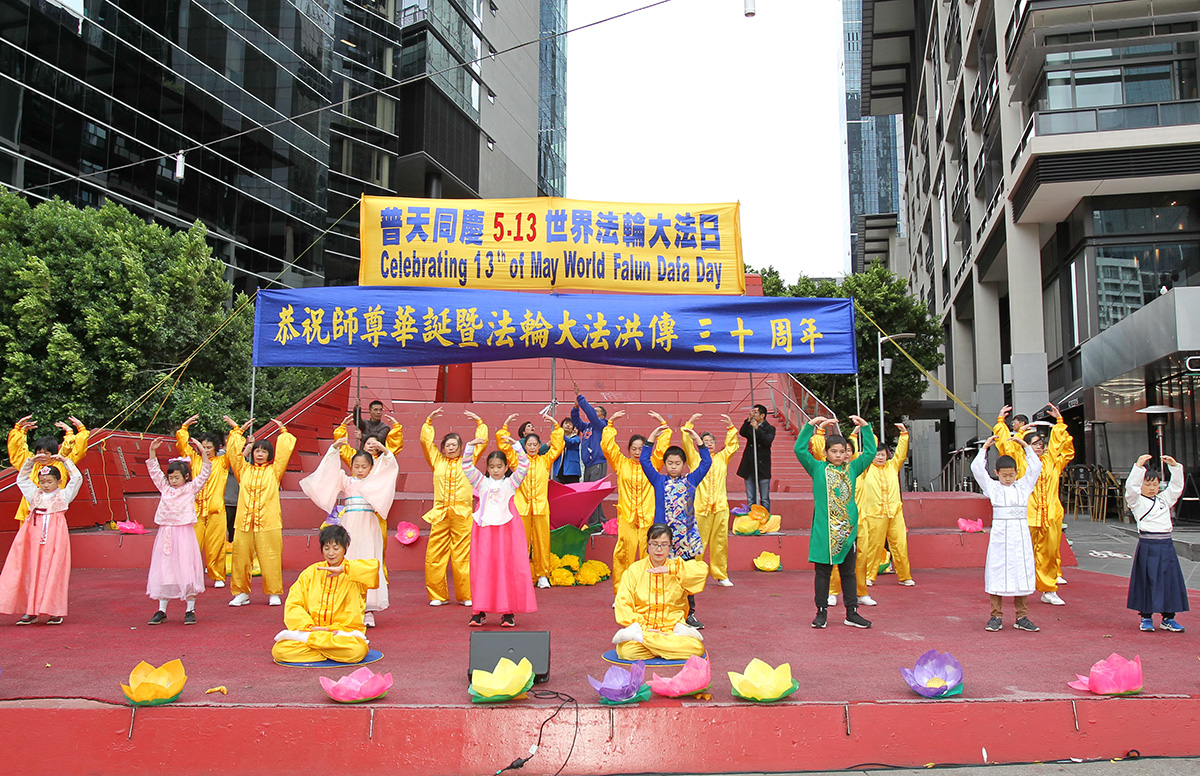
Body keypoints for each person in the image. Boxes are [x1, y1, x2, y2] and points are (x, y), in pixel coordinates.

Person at [299, 437, 398, 627]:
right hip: (349, 525)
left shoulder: (375, 481)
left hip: (369, 526)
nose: (360, 470)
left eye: (364, 467)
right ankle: (345, 605)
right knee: (347, 560)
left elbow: (390, 468)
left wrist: (384, 450)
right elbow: (327, 474)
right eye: (356, 466)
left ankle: (367, 609)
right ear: (351, 466)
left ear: (371, 467)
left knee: (367, 561)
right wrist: (333, 449)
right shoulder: (346, 481)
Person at [795, 415, 876, 630]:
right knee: (823, 573)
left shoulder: (853, 469)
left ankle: (852, 613)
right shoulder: (817, 468)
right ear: (825, 453)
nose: (839, 455)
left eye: (842, 452)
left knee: (848, 573)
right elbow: (800, 450)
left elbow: (870, 452)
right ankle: (821, 612)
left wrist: (865, 427)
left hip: (846, 533)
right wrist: (810, 426)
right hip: (824, 533)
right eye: (834, 451)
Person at [999, 405, 1074, 606]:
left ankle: (1049, 589)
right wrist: (1004, 424)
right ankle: (1017, 586)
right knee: (1021, 553)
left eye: (1041, 443)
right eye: (1034, 444)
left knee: (1049, 554)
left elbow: (1062, 447)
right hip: (1027, 516)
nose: (1039, 446)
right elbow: (1008, 447)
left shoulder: (1051, 462)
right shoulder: (1021, 462)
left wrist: (1059, 422)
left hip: (1050, 515)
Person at [272, 525, 379, 664]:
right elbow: (294, 603)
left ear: (346, 547)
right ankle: (330, 651)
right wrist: (308, 627)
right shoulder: (312, 572)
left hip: (342, 633)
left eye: (336, 548)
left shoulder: (354, 572)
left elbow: (373, 568)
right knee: (279, 650)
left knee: (357, 650)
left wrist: (344, 569)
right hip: (314, 631)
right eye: (326, 548)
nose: (331, 553)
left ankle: (316, 649)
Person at [641, 422, 712, 629]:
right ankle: (663, 614)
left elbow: (706, 462)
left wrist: (698, 441)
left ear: (684, 464)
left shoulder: (691, 480)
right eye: (670, 463)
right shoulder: (658, 481)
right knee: (663, 576)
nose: (673, 466)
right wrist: (652, 438)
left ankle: (689, 614)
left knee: (686, 577)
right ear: (665, 464)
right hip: (664, 541)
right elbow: (644, 460)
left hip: (686, 539)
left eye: (677, 463)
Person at [971, 432, 1043, 633]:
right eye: (1004, 475)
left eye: (1011, 475)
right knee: (997, 573)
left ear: (1016, 473)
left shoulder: (1024, 486)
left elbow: (1036, 467)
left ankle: (1022, 616)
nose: (1008, 478)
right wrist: (984, 448)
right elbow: (977, 469)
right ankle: (996, 616)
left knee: (1021, 573)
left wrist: (1025, 447)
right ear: (997, 473)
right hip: (1000, 538)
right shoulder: (993, 488)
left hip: (1020, 538)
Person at [462, 433, 536, 628]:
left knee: (506, 568)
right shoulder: (480, 482)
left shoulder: (511, 483)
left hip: (507, 531)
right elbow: (466, 466)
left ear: (506, 467)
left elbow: (524, 465)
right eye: (492, 467)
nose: (495, 470)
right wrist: (470, 446)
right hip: (484, 531)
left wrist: (517, 446)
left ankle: (507, 612)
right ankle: (478, 612)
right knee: (482, 568)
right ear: (487, 468)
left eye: (499, 466)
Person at [0, 451, 83, 625]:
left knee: (54, 570)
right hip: (32, 537)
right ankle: (30, 610)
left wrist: (66, 461)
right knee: (30, 569)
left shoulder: (63, 496)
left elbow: (77, 479)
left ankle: (54, 611)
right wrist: (31, 462)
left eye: (49, 481)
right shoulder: (34, 495)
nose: (45, 485)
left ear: (59, 481)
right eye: (42, 482)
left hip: (55, 538)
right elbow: (22, 480)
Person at [226, 418, 296, 607]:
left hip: (268, 521)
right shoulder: (243, 470)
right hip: (244, 522)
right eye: (257, 450)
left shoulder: (275, 471)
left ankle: (274, 592)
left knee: (271, 557)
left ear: (269, 454)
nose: (259, 454)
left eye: (264, 451)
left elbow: (284, 453)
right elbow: (233, 454)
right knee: (240, 558)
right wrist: (238, 431)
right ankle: (241, 592)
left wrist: (283, 431)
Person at [420, 408, 486, 607]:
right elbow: (425, 443)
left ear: (460, 447)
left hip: (462, 514)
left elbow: (481, 443)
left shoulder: (467, 461)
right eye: (447, 445)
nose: (451, 448)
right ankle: (437, 595)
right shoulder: (436, 460)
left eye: (454, 445)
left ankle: (466, 594)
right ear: (442, 448)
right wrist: (428, 422)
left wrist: (480, 423)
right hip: (440, 514)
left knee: (462, 556)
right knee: (435, 554)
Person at [612, 524, 707, 660]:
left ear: (670, 546)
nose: (659, 549)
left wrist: (671, 569)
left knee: (697, 648)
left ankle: (650, 645)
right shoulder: (634, 570)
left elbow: (702, 571)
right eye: (654, 544)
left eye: (664, 545)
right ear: (647, 545)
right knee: (626, 651)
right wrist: (644, 627)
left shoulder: (678, 569)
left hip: (672, 630)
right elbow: (623, 604)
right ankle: (666, 647)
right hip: (644, 629)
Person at [144, 437, 212, 625]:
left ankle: (190, 609)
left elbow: (206, 472)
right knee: (164, 569)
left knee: (186, 569)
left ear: (186, 477)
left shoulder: (190, 488)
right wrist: (152, 451)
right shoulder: (165, 488)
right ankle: (161, 610)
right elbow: (154, 471)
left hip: (184, 534)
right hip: (166, 532)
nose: (173, 481)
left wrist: (202, 451)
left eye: (177, 477)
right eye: (171, 478)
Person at [601, 410, 667, 596]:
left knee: (650, 553)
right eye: (634, 449)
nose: (637, 452)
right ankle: (622, 593)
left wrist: (662, 424)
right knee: (623, 554)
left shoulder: (652, 464)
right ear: (629, 449)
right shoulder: (621, 463)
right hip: (627, 517)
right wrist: (610, 424)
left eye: (641, 449)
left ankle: (648, 592)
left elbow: (662, 448)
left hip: (647, 516)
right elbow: (608, 447)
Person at [176, 415, 245, 588]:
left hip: (216, 510)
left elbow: (234, 450)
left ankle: (217, 575)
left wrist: (235, 429)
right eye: (203, 447)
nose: (206, 450)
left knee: (216, 545)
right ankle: (190, 576)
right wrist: (184, 428)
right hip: (195, 510)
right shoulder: (195, 460)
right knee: (191, 545)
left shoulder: (223, 461)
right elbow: (183, 447)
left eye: (209, 447)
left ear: (216, 448)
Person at [499, 413, 564, 588]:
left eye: (535, 445)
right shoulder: (518, 462)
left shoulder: (545, 460)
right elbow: (504, 447)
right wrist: (505, 427)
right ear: (524, 446)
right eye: (529, 445)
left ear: (539, 446)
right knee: (520, 542)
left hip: (541, 508)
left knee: (542, 542)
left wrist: (556, 427)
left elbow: (557, 446)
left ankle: (542, 575)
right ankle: (520, 574)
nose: (533, 447)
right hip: (522, 508)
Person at [1125, 454, 1188, 633]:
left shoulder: (1163, 500)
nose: (1152, 488)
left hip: (1166, 545)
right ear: (1141, 485)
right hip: (1148, 545)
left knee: (1170, 581)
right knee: (1147, 581)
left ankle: (1169, 618)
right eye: (1148, 484)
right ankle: (1146, 617)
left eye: (1155, 484)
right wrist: (1138, 466)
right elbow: (1131, 488)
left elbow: (1176, 487)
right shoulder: (1136, 502)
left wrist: (1175, 467)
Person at [855, 423, 916, 597]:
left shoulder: (892, 466)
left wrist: (904, 435)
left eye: (882, 454)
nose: (880, 457)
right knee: (874, 546)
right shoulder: (866, 468)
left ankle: (904, 576)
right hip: (875, 514)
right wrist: (857, 435)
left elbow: (901, 454)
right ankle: (869, 575)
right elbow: (858, 455)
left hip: (895, 512)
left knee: (900, 545)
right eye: (877, 455)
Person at [680, 415, 740, 586]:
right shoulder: (695, 459)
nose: (708, 444)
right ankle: (694, 573)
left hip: (720, 507)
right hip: (700, 508)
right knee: (697, 542)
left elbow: (732, 446)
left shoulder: (722, 458)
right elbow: (686, 443)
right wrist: (690, 424)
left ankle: (721, 575)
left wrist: (731, 428)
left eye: (711, 441)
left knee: (720, 542)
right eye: (705, 441)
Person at [7, 414, 88, 525]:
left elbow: (78, 452)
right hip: (29, 514)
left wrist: (80, 429)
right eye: (39, 453)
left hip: (51, 514)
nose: (42, 456)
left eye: (46, 453)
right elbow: (16, 452)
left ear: (53, 453)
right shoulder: (31, 464)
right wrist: (18, 429)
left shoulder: (61, 464)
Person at [572, 388, 609, 526]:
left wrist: (580, 397)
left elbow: (590, 414)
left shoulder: (601, 425)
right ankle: (601, 521)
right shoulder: (588, 427)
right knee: (592, 495)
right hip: (589, 464)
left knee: (593, 495)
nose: (593, 412)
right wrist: (576, 408)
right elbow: (576, 421)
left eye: (596, 411)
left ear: (602, 415)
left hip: (597, 463)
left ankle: (595, 524)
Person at [737, 404, 775, 511]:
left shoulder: (770, 428)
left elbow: (767, 441)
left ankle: (765, 516)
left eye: (756, 412)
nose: (753, 414)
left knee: (764, 498)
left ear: (762, 415)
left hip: (762, 467)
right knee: (751, 498)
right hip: (750, 466)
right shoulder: (750, 426)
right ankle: (751, 515)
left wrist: (758, 429)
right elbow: (742, 432)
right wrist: (748, 420)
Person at [553, 418, 583, 484]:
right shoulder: (557, 438)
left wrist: (559, 432)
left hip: (572, 471)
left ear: (573, 429)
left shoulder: (576, 438)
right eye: (566, 423)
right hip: (558, 470)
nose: (568, 425)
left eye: (570, 424)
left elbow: (569, 443)